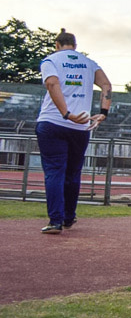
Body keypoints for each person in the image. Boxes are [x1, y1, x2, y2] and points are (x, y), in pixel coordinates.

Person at [35, 29, 112, 233]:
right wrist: (103, 112)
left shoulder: (50, 60)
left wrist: (66, 113)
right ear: (75, 46)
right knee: (73, 172)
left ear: (57, 45)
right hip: (80, 126)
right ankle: (69, 217)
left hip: (52, 122)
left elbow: (52, 83)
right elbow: (106, 85)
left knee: (54, 171)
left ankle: (55, 221)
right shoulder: (88, 63)